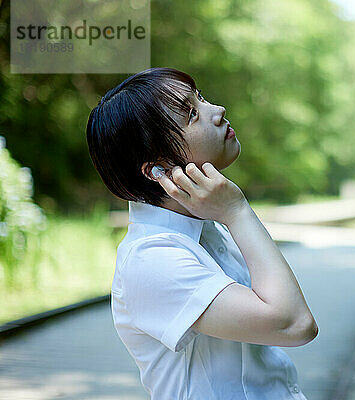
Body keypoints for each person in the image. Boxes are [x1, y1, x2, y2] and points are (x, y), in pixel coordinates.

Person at [86, 67, 318, 400]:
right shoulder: (153, 259)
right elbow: (294, 324)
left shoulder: (203, 227)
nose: (217, 111)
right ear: (159, 170)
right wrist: (236, 211)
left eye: (202, 99)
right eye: (192, 114)